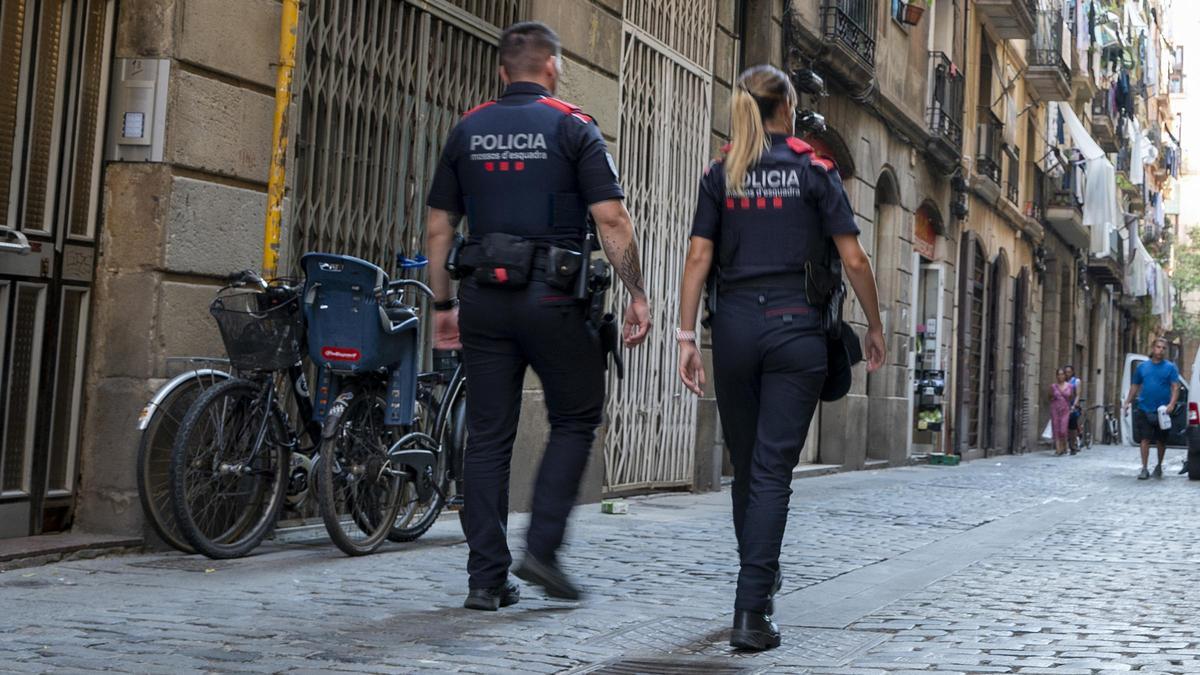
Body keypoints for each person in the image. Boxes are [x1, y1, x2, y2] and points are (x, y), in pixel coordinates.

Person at [424, 21, 652, 611]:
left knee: (488, 437)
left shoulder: (466, 129)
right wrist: (637, 294)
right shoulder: (574, 125)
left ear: (503, 71)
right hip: (554, 298)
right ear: (552, 67)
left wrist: (443, 306)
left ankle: (485, 579)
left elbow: (438, 228)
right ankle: (542, 549)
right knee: (576, 418)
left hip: (483, 300)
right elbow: (612, 220)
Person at [675, 65, 885, 651]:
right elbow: (856, 260)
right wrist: (875, 324)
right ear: (787, 108)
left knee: (749, 468)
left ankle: (757, 588)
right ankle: (751, 609)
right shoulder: (815, 169)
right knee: (771, 471)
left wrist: (686, 337)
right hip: (797, 332)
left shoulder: (723, 171)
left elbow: (697, 258)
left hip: (736, 330)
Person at [1123, 337, 1180, 480]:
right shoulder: (1142, 367)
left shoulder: (1170, 368)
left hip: (1163, 411)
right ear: (1153, 348)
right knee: (1144, 439)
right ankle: (1144, 468)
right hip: (1144, 408)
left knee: (1161, 441)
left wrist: (1171, 404)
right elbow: (1135, 386)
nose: (1160, 350)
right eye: (1158, 347)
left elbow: (1175, 387)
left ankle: (1159, 466)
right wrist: (1127, 402)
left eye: (1163, 348)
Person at [1048, 368, 1073, 456]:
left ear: (1065, 375)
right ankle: (1058, 449)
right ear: (1056, 376)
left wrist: (1070, 407)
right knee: (1056, 428)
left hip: (1065, 409)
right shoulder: (1053, 386)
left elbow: (1070, 398)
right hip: (1055, 408)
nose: (1060, 376)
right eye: (1058, 374)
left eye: (1062, 374)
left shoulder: (1069, 386)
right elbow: (1050, 396)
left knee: (1063, 429)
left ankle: (1064, 446)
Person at [1064, 364, 1082, 454]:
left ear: (1072, 372)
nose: (1067, 374)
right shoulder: (1062, 381)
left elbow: (1078, 394)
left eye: (1069, 372)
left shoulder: (1076, 381)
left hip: (1073, 407)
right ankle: (1064, 446)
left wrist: (1074, 405)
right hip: (1064, 406)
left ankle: (1073, 446)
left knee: (1072, 427)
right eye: (1066, 372)